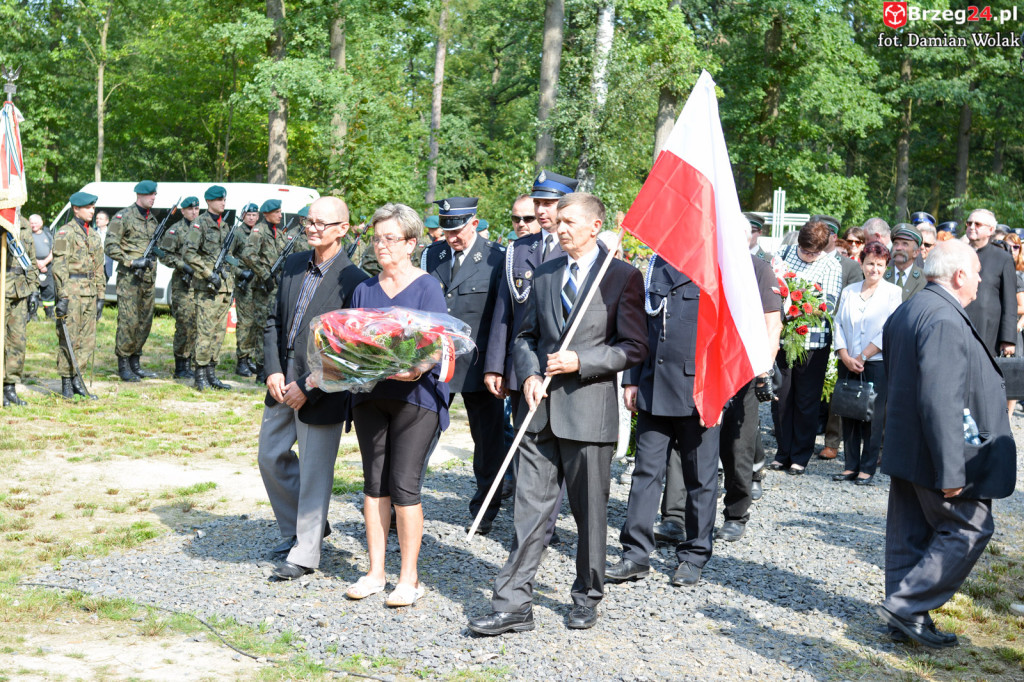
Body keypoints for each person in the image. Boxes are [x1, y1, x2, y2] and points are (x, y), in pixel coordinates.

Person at [468, 192, 647, 634]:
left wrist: (583, 362)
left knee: (590, 514)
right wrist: (527, 374)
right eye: (558, 221)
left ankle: (587, 594)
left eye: (569, 221)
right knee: (529, 509)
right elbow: (525, 335)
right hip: (539, 412)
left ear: (594, 225)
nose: (559, 227)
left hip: (589, 414)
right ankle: (514, 603)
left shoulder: (621, 276)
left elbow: (634, 346)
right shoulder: (546, 273)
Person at [877, 240, 1017, 648]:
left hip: (909, 446)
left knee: (911, 534)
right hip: (935, 452)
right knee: (970, 527)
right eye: (976, 272)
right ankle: (906, 606)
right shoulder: (942, 317)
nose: (978, 279)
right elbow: (940, 399)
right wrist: (952, 470)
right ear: (958, 274)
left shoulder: (914, 307)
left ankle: (907, 619)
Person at [259, 196, 368, 581]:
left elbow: (347, 349)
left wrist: (310, 386)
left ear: (343, 229)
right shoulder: (292, 265)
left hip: (321, 385)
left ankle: (304, 553)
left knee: (316, 471)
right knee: (270, 457)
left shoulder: (354, 280)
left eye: (323, 223)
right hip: (281, 379)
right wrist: (272, 369)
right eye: (309, 221)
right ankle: (303, 527)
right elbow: (272, 320)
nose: (312, 228)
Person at [342, 202, 446, 605]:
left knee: (404, 485)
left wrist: (415, 369)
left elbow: (437, 345)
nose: (381, 246)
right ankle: (375, 572)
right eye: (376, 238)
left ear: (410, 243)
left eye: (390, 238)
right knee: (373, 484)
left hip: (414, 398)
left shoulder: (427, 286)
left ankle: (409, 578)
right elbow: (350, 340)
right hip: (370, 397)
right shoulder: (364, 288)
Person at [607, 247, 723, 587]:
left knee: (700, 479)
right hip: (653, 386)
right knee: (645, 474)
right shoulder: (657, 264)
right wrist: (631, 379)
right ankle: (635, 554)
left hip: (698, 392)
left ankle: (693, 555)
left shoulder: (716, 269)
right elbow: (641, 329)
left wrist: (715, 394)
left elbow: (726, 342)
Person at [483, 171, 579, 531]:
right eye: (537, 202)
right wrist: (495, 364)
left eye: (548, 203)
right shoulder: (519, 250)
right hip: (525, 366)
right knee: (526, 443)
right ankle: (531, 527)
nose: (541, 210)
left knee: (563, 448)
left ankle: (549, 520)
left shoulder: (587, 250)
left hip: (568, 365)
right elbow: (504, 311)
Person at [420, 197, 506, 534]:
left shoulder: (497, 258)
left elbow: (502, 317)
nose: (451, 237)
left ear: (474, 222)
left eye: (457, 230)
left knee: (487, 439)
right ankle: (404, 501)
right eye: (446, 230)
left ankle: (486, 506)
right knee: (420, 432)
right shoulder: (434, 254)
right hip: (436, 361)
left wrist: (497, 366)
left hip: (479, 364)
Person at [713, 253, 782, 541]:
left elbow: (772, 324)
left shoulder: (758, 268)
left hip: (744, 367)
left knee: (738, 444)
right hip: (704, 363)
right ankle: (678, 515)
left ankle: (736, 513)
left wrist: (764, 370)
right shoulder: (705, 259)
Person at [769, 220, 842, 474]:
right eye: (806, 251)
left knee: (806, 400)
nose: (809, 257)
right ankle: (783, 451)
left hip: (813, 342)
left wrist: (798, 308)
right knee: (782, 397)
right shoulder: (785, 255)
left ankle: (800, 454)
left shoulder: (832, 265)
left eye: (814, 253)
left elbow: (829, 304)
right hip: (783, 338)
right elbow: (772, 289)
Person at [832, 241, 902, 485]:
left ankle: (868, 467)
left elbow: (888, 329)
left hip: (875, 362)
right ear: (861, 263)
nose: (874, 269)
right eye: (870, 263)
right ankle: (850, 465)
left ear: (886, 267)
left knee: (872, 416)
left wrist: (862, 356)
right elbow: (838, 323)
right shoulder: (849, 290)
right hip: (847, 360)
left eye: (880, 265)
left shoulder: (893, 293)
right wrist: (844, 355)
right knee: (848, 411)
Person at [817, 214, 863, 462]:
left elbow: (851, 303)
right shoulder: (804, 259)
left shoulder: (851, 267)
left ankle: (832, 442)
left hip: (837, 333)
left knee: (835, 387)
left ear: (833, 237)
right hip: (808, 333)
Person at [106, 180, 160, 382]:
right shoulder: (124, 216)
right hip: (129, 278)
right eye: (151, 195)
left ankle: (135, 362)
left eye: (155, 195)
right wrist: (130, 261)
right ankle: (124, 363)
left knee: (144, 321)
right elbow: (110, 245)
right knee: (128, 321)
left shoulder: (153, 220)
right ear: (140, 195)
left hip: (148, 279)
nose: (154, 198)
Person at [52, 192, 105, 400]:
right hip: (72, 291)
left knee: (87, 340)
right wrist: (63, 297)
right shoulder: (64, 233)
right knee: (69, 338)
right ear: (76, 209)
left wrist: (101, 296)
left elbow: (99, 267)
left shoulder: (94, 235)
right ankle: (66, 381)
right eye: (88, 207)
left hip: (90, 292)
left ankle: (78, 379)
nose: (92, 210)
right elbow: (58, 266)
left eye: (93, 207)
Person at [184, 185, 234, 391]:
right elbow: (189, 254)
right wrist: (208, 274)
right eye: (219, 200)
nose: (223, 202)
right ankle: (200, 375)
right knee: (205, 332)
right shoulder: (200, 224)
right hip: (207, 288)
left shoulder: (225, 226)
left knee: (218, 332)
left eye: (224, 199)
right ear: (209, 202)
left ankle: (212, 373)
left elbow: (229, 255)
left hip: (223, 287)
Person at [241, 199, 296, 383]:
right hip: (264, 288)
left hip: (277, 287)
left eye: (280, 211)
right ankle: (261, 369)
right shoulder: (259, 231)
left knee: (276, 327)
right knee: (262, 328)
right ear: (267, 214)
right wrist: (265, 274)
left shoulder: (279, 234)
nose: (280, 215)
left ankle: (273, 366)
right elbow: (248, 254)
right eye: (277, 212)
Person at [963, 209, 1017, 358]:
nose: (972, 226)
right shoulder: (957, 254)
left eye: (978, 224)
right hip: (958, 324)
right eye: (969, 223)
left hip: (988, 331)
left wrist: (1008, 339)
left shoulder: (1002, 258)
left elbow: (1010, 301)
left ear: (990, 230)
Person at [158, 196, 201, 379]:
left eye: (197, 209)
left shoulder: (202, 228)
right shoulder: (175, 231)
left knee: (197, 325)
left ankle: (191, 362)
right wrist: (182, 265)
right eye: (190, 209)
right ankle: (181, 366)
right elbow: (163, 255)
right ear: (182, 211)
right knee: (184, 325)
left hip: (200, 284)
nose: (194, 212)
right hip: (182, 285)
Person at [4, 215, 40, 405]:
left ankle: (10, 386)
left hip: (20, 290)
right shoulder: (3, 221)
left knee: (17, 341)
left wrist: (34, 290)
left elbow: (32, 261)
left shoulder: (24, 225)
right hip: (2, 286)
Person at [232, 202, 260, 378]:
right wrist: (240, 272)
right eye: (248, 214)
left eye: (254, 214)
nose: (251, 217)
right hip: (244, 284)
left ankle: (250, 357)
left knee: (256, 322)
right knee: (245, 322)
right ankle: (241, 360)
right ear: (243, 215)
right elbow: (228, 256)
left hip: (258, 284)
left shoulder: (258, 233)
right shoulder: (237, 233)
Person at [883, 224, 926, 301]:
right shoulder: (882, 276)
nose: (898, 248)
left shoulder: (925, 279)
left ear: (916, 252)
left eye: (905, 244)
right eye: (896, 244)